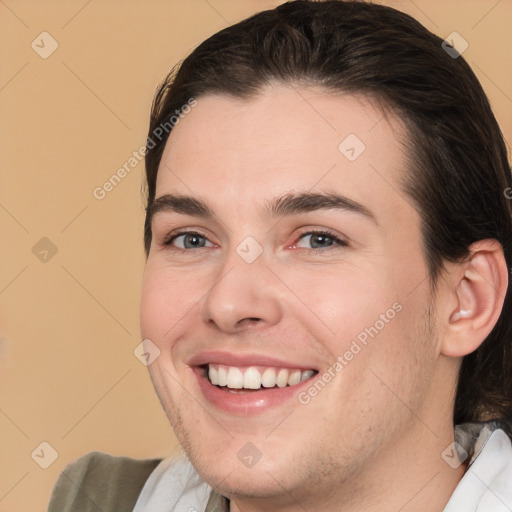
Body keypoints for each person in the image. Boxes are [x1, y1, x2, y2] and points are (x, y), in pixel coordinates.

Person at [48, 0, 512, 510]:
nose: (228, 302)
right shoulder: (96, 500)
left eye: (318, 239)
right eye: (191, 238)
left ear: (467, 299)